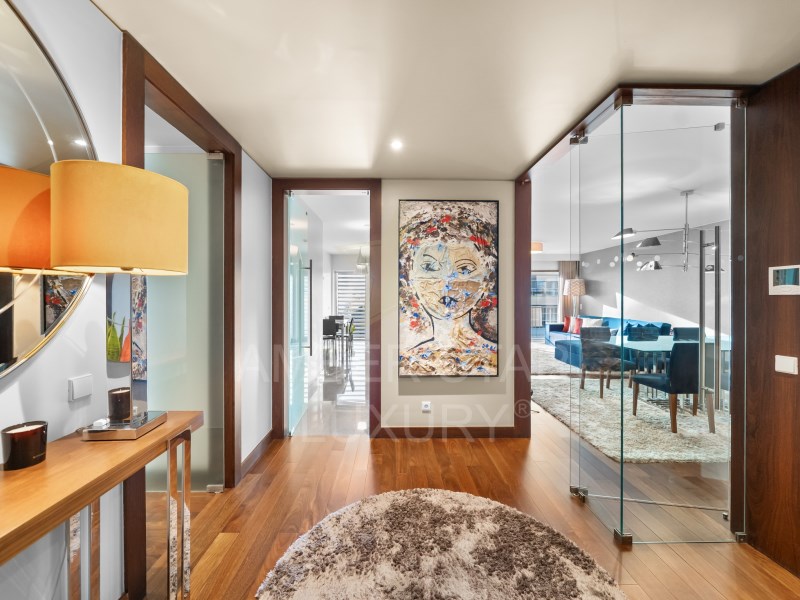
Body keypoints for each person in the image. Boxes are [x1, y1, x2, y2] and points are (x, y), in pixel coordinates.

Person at [398, 201, 498, 376]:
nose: (447, 282)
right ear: (409, 280)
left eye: (464, 269)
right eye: (429, 267)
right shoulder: (408, 362)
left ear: (486, 280)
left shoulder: (495, 358)